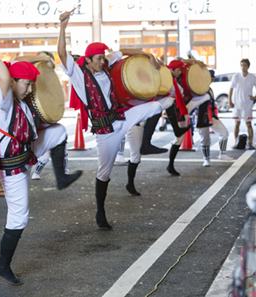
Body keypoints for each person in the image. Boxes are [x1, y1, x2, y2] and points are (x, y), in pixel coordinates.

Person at [0, 37, 82, 285]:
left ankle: (61, 177)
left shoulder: (21, 101)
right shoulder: (2, 102)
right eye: (26, 84)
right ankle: (2, 265)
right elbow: (5, 77)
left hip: (25, 152)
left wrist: (44, 60)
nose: (29, 89)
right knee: (19, 218)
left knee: (58, 131)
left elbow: (18, 71)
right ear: (13, 82)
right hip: (12, 167)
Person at [58, 12, 174, 229]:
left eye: (103, 58)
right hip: (105, 131)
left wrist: (146, 54)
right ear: (89, 60)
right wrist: (63, 26)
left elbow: (122, 52)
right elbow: (62, 53)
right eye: (99, 58)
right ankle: (100, 212)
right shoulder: (78, 74)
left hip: (121, 117)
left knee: (159, 104)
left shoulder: (106, 63)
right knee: (104, 172)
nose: (103, 61)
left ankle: (154, 132)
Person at [166, 59, 211, 175]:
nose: (181, 72)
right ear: (172, 69)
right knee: (178, 139)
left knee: (206, 96)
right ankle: (170, 165)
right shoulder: (168, 80)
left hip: (182, 107)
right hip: (178, 110)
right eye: (179, 70)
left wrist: (198, 62)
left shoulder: (173, 77)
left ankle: (201, 121)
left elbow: (183, 61)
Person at [197, 70, 234, 166]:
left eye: (213, 78)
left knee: (224, 133)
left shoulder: (209, 88)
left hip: (212, 116)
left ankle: (223, 154)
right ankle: (206, 159)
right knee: (205, 139)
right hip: (201, 117)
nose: (212, 80)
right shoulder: (198, 88)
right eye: (210, 78)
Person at [229, 59, 256, 149]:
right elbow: (231, 89)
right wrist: (230, 101)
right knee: (237, 123)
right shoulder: (236, 76)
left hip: (248, 104)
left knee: (248, 124)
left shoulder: (252, 77)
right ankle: (236, 142)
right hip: (237, 104)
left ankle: (251, 143)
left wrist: (255, 97)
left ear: (248, 66)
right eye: (241, 65)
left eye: (244, 65)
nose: (242, 67)